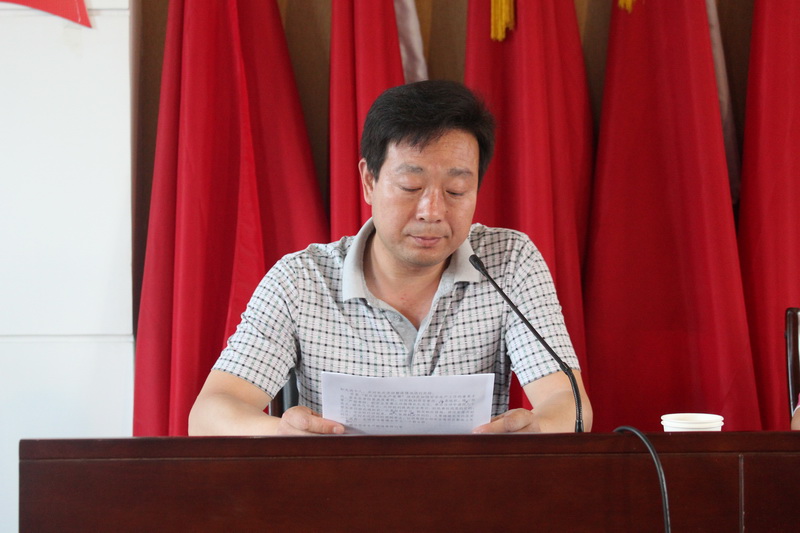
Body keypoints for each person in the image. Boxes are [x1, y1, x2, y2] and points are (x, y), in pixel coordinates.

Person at [189, 80, 592, 436]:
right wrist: (281, 434)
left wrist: (537, 430)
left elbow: (568, 402)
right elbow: (209, 413)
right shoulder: (302, 280)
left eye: (456, 191)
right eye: (410, 186)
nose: (432, 211)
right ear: (369, 180)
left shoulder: (509, 262)